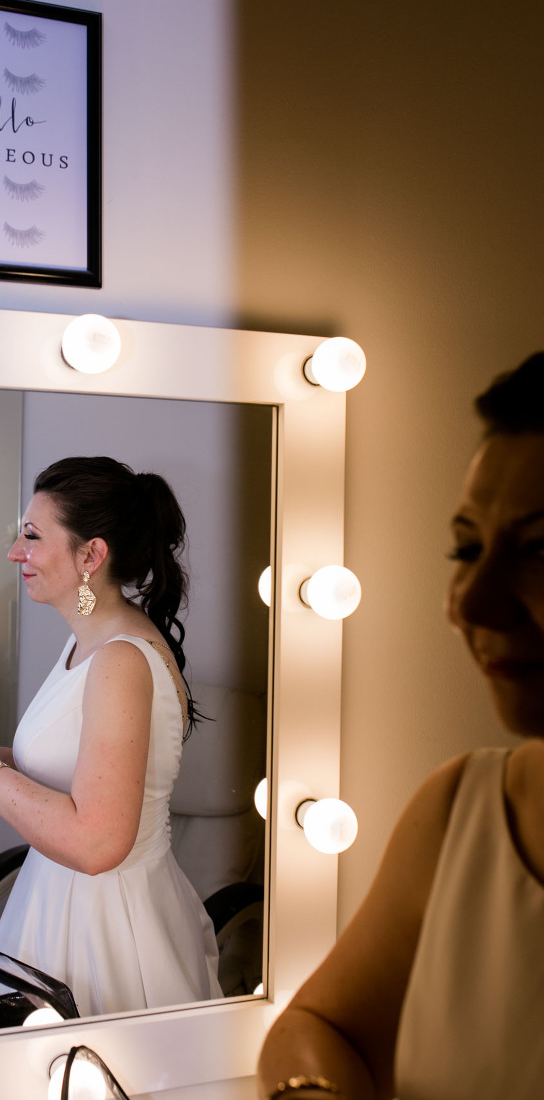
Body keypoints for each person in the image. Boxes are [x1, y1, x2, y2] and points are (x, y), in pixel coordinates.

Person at [257, 352, 544, 1100]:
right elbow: (322, 1026)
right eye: (467, 548)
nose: (471, 603)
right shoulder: (461, 813)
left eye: (541, 550)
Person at [0, 456, 222, 1017]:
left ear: (91, 555)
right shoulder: (88, 644)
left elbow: (98, 843)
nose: (14, 552)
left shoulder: (119, 660)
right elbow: (83, 767)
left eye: (31, 535)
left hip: (104, 928)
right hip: (57, 900)